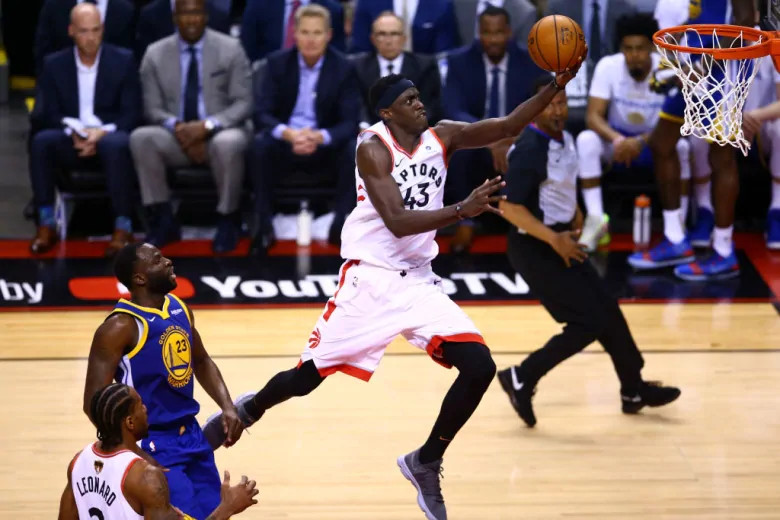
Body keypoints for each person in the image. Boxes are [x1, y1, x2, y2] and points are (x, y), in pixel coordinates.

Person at [203, 55, 586, 518]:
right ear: (388, 112)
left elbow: (506, 125)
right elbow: (399, 221)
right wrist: (462, 209)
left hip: (419, 282)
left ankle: (426, 460)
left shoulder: (442, 135)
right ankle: (251, 408)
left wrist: (554, 85)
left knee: (480, 365)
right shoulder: (373, 148)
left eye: (418, 96)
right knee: (305, 380)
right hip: (370, 279)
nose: (419, 104)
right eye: (409, 100)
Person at [495, 77, 681, 428]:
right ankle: (522, 376)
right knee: (586, 322)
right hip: (534, 247)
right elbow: (509, 208)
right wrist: (554, 239)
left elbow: (562, 186)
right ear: (534, 109)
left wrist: (577, 216)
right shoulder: (531, 147)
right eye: (549, 103)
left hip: (560, 240)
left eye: (562, 102)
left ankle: (633, 389)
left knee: (608, 311)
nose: (558, 109)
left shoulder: (564, 139)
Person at [83, 243, 244, 519]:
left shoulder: (179, 307)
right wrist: (132, 452)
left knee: (217, 514)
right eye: (157, 260)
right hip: (154, 442)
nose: (168, 261)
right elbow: (92, 404)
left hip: (193, 436)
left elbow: (202, 361)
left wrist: (227, 407)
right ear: (140, 278)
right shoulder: (119, 327)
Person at [629, 0, 755, 280]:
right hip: (695, 62)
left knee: (721, 155)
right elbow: (699, 16)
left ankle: (723, 250)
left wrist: (702, 63)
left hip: (725, 69)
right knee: (661, 143)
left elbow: (745, 23)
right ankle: (675, 239)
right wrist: (674, 57)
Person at [130, 0, 253, 253]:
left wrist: (208, 126)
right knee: (142, 138)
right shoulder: (155, 53)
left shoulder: (231, 48)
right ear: (175, 18)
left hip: (220, 131)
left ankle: (228, 219)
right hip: (177, 135)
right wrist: (180, 128)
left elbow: (243, 102)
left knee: (228, 143)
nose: (191, 19)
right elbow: (151, 108)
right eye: (185, 14)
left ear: (206, 16)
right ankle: (163, 218)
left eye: (197, 13)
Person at [29, 3, 141, 257]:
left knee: (117, 144)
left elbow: (132, 113)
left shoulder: (123, 60)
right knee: (41, 141)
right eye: (83, 31)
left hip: (109, 137)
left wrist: (102, 133)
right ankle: (46, 223)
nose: (90, 38)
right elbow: (48, 113)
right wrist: (75, 133)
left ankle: (123, 226)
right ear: (71, 31)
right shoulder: (54, 64)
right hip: (71, 138)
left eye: (95, 30)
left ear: (103, 29)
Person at [575, 12, 690, 251]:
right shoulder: (608, 66)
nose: (634, 55)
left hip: (655, 142)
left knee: (681, 146)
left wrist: (640, 141)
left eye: (640, 48)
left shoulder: (668, 69)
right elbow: (593, 116)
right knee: (587, 140)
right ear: (620, 48)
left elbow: (680, 122)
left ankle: (680, 223)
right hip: (618, 142)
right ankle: (596, 221)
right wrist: (618, 140)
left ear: (651, 47)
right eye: (628, 48)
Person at [58, 383, 259, 519]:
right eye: (140, 405)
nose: (146, 409)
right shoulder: (146, 478)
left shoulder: (78, 462)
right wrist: (227, 507)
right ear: (129, 422)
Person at [442, 5, 545, 253]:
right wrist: (491, 139)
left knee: (534, 147)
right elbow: (453, 110)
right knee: (458, 146)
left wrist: (511, 137)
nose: (494, 39)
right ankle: (466, 221)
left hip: (517, 138)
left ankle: (527, 225)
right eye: (487, 33)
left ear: (509, 32)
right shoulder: (459, 62)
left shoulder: (531, 61)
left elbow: (540, 106)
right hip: (478, 140)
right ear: (479, 34)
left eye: (499, 33)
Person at [354, 11, 443, 128]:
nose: (388, 40)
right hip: (371, 132)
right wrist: (365, 127)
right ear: (373, 39)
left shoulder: (424, 66)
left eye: (394, 34)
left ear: (404, 38)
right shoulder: (358, 67)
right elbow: (357, 105)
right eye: (382, 34)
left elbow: (431, 105)